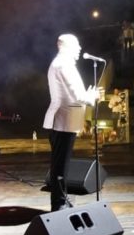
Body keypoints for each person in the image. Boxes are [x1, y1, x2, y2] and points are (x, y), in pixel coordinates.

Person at [43, 34, 101, 212]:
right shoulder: (63, 65)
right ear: (66, 46)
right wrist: (93, 96)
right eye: (76, 45)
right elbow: (78, 96)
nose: (79, 48)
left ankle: (61, 199)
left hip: (64, 120)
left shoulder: (62, 64)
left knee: (60, 164)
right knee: (60, 166)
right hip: (63, 121)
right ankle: (58, 203)